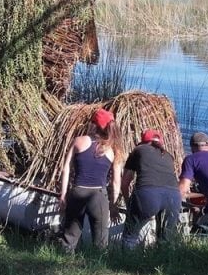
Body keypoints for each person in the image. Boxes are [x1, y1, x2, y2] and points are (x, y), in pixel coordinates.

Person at [58, 108, 124, 252]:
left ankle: (64, 264)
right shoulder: (113, 149)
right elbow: (116, 182)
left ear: (93, 124)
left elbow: (66, 169)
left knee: (69, 237)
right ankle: (98, 270)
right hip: (98, 197)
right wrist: (113, 204)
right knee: (100, 241)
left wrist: (63, 195)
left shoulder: (78, 141)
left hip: (77, 192)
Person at [120, 129, 182, 249]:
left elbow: (125, 182)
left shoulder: (138, 150)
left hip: (148, 194)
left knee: (130, 235)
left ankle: (125, 264)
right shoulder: (168, 155)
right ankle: (161, 265)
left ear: (144, 141)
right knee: (165, 240)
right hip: (174, 197)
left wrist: (129, 204)